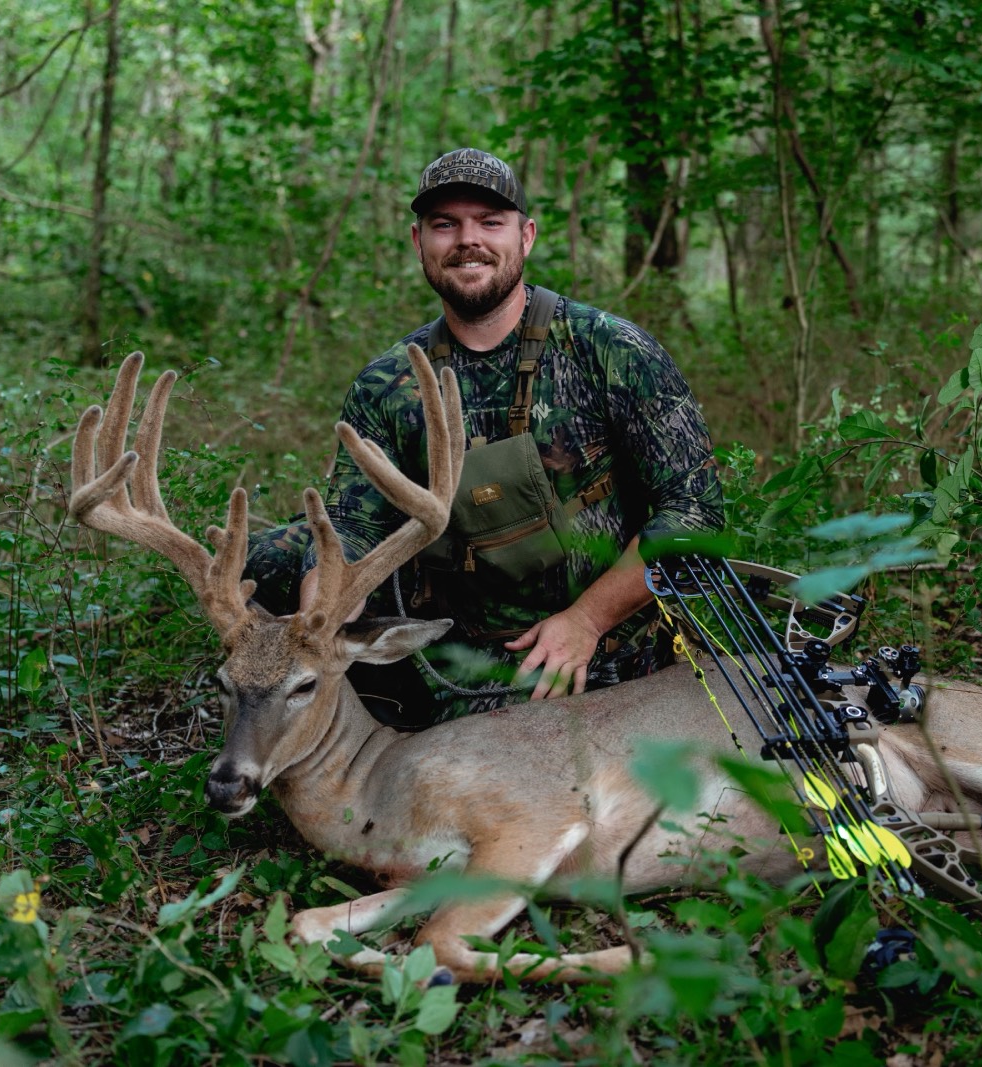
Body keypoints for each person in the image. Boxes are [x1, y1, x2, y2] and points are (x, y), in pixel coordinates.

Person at [245, 148, 724, 725]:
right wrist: (326, 601)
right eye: (445, 225)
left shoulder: (611, 349)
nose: (467, 240)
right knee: (277, 557)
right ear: (418, 242)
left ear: (525, 237)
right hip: (456, 634)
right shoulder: (387, 383)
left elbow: (694, 513)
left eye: (489, 223)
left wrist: (589, 621)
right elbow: (353, 523)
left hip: (595, 634)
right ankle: (370, 697)